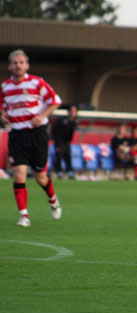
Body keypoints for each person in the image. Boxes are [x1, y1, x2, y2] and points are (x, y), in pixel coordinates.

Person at [0, 49, 62, 227]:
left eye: (21, 63)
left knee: (40, 177)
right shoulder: (5, 87)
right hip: (17, 135)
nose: (18, 66)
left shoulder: (37, 82)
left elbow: (55, 100)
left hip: (37, 135)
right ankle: (24, 216)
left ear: (26, 65)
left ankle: (53, 200)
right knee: (19, 175)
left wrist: (42, 115)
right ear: (10, 66)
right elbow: (2, 106)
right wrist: (3, 115)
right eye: (15, 63)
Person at [50, 104, 78, 179]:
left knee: (68, 157)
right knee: (58, 156)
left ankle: (70, 172)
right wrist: (54, 139)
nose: (73, 113)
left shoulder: (74, 122)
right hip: (59, 142)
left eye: (75, 111)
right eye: (72, 111)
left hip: (67, 142)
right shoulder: (62, 120)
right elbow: (54, 129)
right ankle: (58, 172)